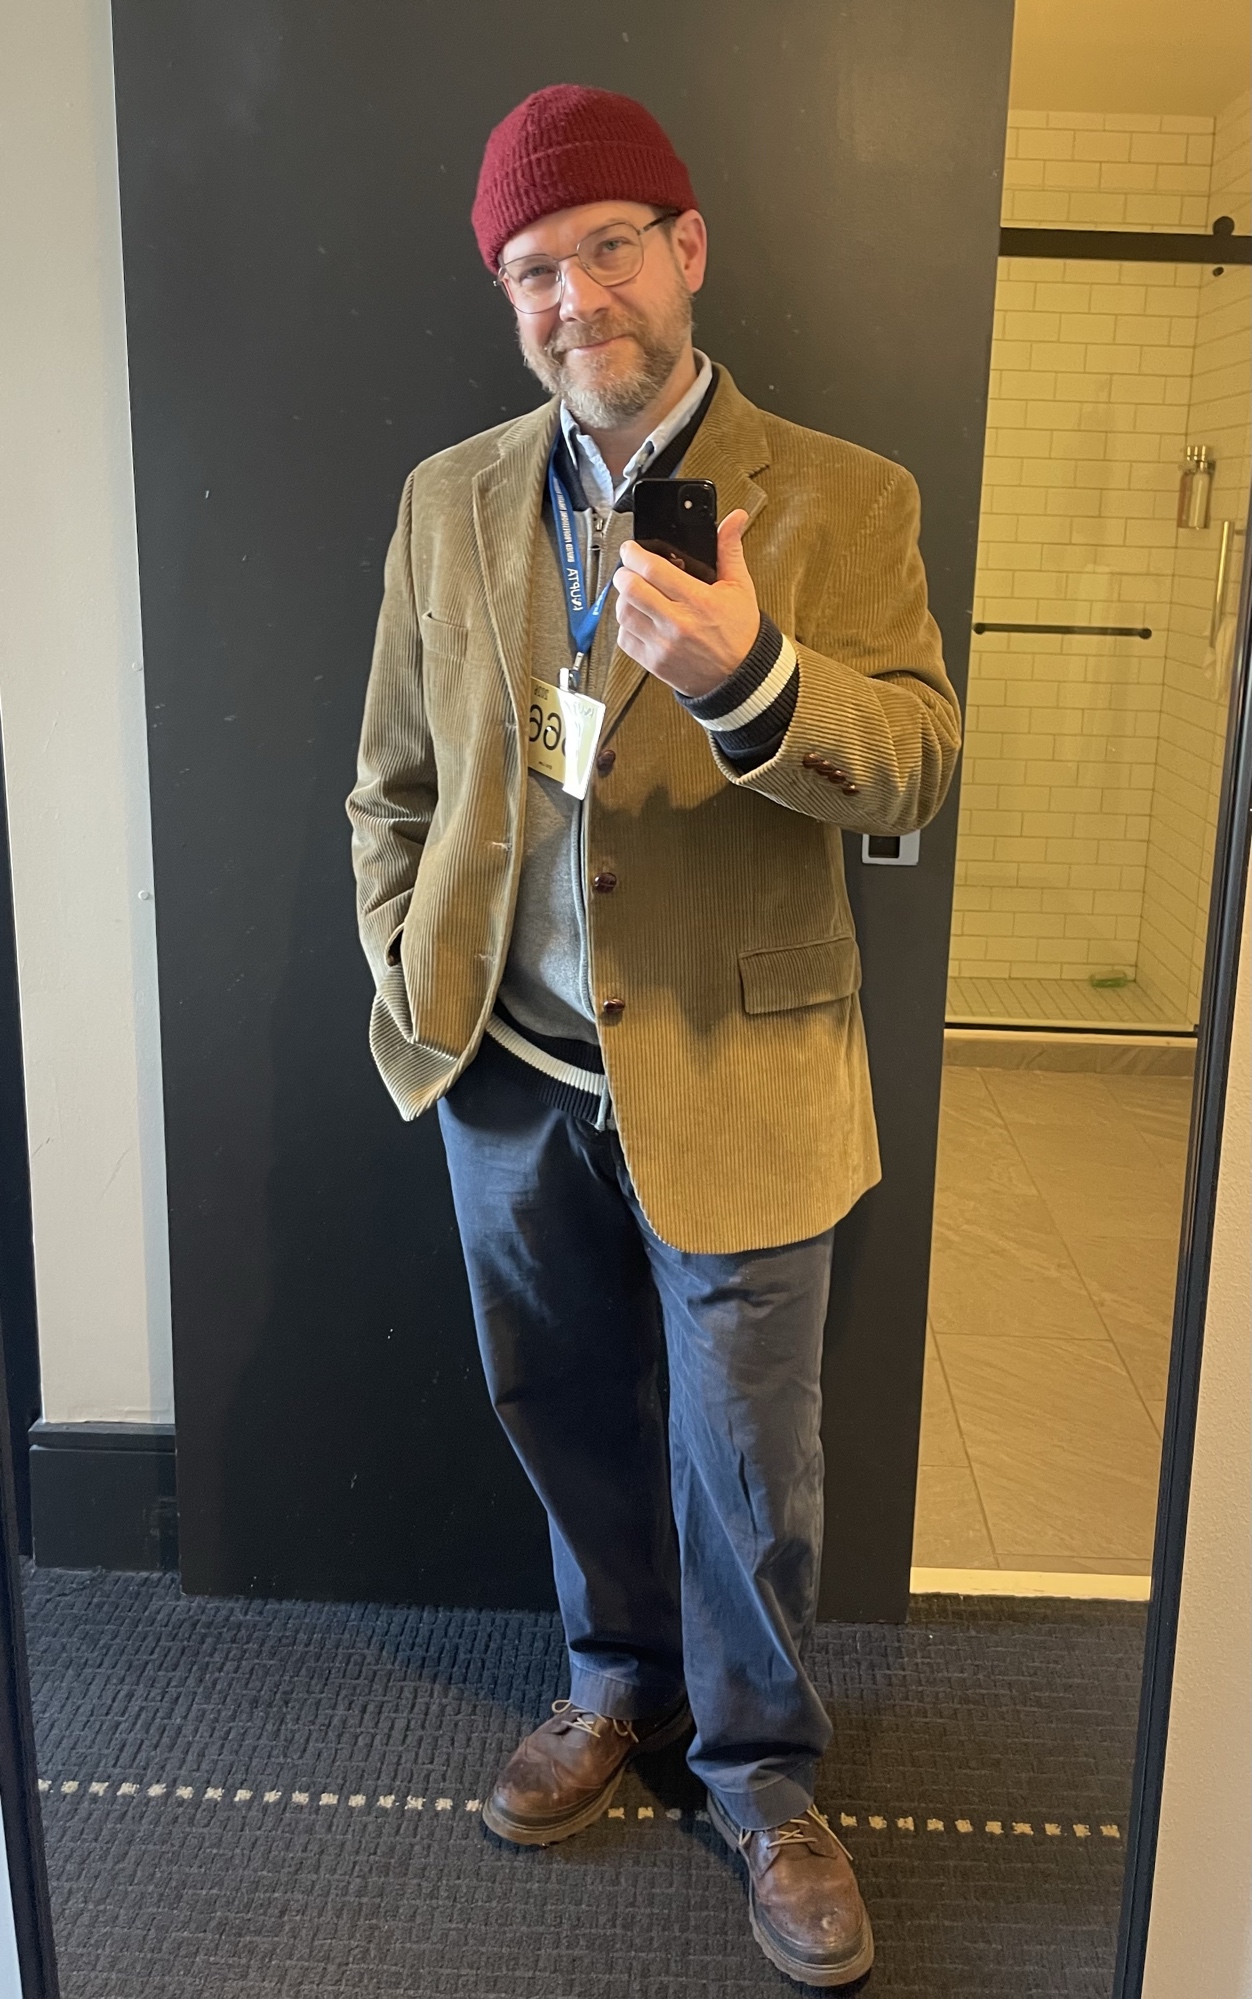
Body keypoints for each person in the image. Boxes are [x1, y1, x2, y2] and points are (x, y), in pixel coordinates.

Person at [348, 82, 960, 1989]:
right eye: (533, 270)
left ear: (687, 250)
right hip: (510, 1073)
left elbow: (917, 766)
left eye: (608, 247)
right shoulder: (451, 498)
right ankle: (616, 1682)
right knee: (559, 1408)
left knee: (749, 1465)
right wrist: (407, 963)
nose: (574, 297)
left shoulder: (847, 496)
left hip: (747, 1065)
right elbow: (392, 780)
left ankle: (762, 1777)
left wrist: (753, 676)